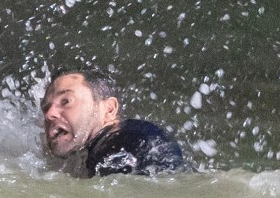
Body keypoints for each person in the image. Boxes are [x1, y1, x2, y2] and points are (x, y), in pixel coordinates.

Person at [40, 67, 188, 177]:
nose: (49, 114)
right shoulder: (94, 151)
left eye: (66, 101)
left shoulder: (125, 140)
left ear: (109, 109)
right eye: (46, 108)